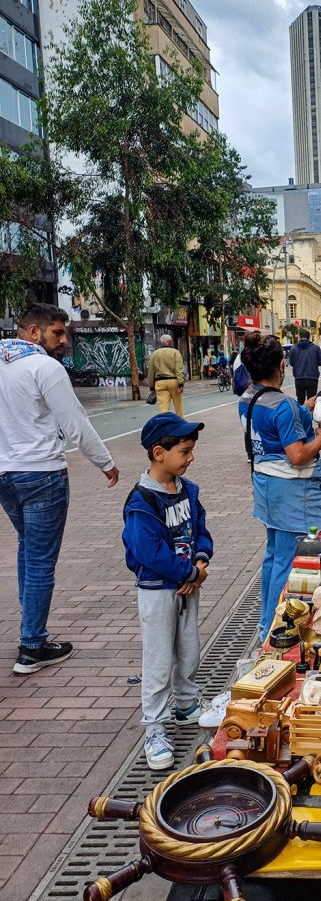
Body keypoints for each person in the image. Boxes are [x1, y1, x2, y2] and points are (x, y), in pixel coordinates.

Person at [0, 303, 119, 675]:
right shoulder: (44, 367)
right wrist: (105, 462)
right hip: (42, 475)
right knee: (39, 561)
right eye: (57, 333)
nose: (64, 341)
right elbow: (75, 423)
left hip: (6, 474)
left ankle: (29, 630)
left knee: (27, 549)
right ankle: (32, 645)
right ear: (33, 332)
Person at [123, 413, 212, 770]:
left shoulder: (187, 489)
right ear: (160, 452)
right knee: (159, 660)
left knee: (188, 648)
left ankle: (187, 704)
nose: (191, 457)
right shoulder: (142, 501)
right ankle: (155, 728)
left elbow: (201, 529)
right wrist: (189, 571)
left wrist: (201, 562)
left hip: (188, 585)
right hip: (159, 591)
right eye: (185, 451)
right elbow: (147, 552)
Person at [238, 333, 321, 641]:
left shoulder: (248, 396)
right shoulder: (284, 406)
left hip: (265, 485)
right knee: (289, 559)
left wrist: (301, 408)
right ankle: (276, 628)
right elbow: (296, 456)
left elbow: (273, 430)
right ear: (282, 366)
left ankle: (264, 620)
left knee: (273, 555)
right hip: (290, 492)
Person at [147, 334, 185, 416]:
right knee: (178, 406)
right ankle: (181, 423)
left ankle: (164, 424)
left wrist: (151, 385)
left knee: (163, 407)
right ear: (167, 342)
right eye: (171, 341)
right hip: (173, 381)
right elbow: (179, 369)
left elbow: (151, 371)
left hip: (160, 383)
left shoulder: (155, 354)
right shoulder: (175, 352)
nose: (172, 342)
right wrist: (180, 383)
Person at [288, 328, 321, 405]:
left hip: (299, 377)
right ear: (309, 337)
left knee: (300, 399)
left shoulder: (293, 348)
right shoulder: (315, 348)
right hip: (312, 377)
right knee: (311, 400)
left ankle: (300, 416)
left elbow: (291, 363)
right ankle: (310, 416)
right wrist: (313, 362)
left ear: (299, 337)